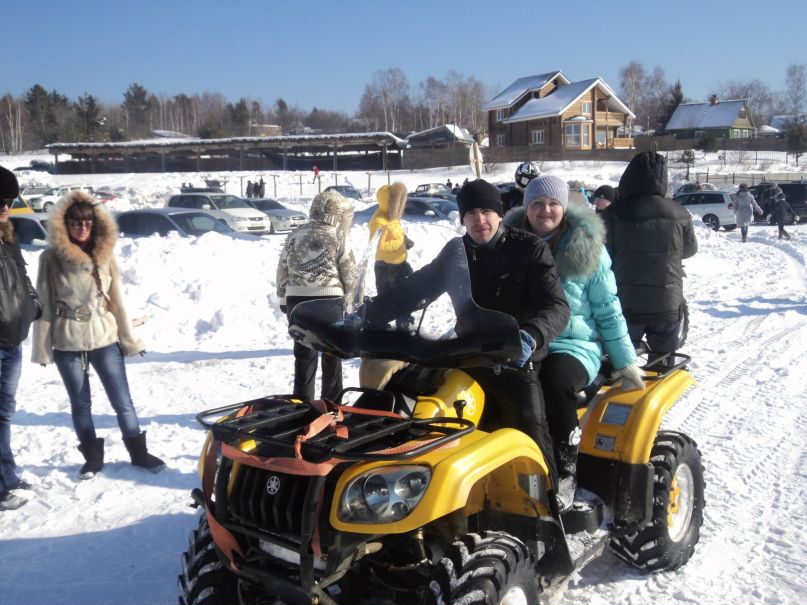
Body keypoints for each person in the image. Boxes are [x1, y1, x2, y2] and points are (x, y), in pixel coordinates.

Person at [366, 179, 570, 491]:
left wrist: (529, 336)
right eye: (471, 212)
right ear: (462, 218)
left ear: (499, 214)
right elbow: (414, 290)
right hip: (466, 355)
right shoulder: (456, 252)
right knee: (412, 406)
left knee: (529, 426)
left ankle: (548, 499)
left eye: (486, 210)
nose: (479, 219)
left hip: (513, 361)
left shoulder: (529, 249)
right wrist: (365, 315)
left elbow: (557, 306)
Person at [504, 175, 643, 509]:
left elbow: (608, 309)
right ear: (527, 208)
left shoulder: (586, 249)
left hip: (573, 345)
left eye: (553, 203)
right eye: (537, 203)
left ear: (564, 207)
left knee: (553, 380)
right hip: (523, 340)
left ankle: (566, 469)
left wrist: (624, 361)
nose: (545, 210)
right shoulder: (508, 244)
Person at [32, 192, 165, 479]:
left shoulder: (105, 256)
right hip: (67, 342)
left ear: (95, 224)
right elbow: (43, 305)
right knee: (81, 405)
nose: (82, 227)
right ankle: (92, 458)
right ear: (64, 224)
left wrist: (129, 339)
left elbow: (117, 300)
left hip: (104, 339)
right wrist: (42, 348)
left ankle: (139, 454)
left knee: (122, 401)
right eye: (76, 222)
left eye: (87, 222)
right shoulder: (50, 259)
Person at [602, 151, 698, 365]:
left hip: (625, 303)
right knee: (662, 367)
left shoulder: (613, 214)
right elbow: (689, 250)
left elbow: (601, 255)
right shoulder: (679, 212)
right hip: (668, 303)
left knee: (618, 366)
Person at [277, 190, 357, 401]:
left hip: (296, 301)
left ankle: (301, 403)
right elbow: (349, 272)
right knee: (331, 354)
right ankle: (331, 404)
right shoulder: (338, 235)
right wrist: (354, 301)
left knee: (303, 354)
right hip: (328, 302)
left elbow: (282, 269)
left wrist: (283, 299)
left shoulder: (295, 234)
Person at [0, 166, 42, 510]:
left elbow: (22, 278)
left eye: (9, 201)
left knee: (3, 414)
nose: (4, 207)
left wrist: (34, 305)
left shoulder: (7, 235)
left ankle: (7, 477)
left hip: (12, 343)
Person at [368, 182, 413, 328]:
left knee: (405, 297)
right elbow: (379, 246)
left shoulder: (393, 218)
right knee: (386, 301)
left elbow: (397, 235)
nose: (400, 205)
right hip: (385, 269)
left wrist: (405, 240)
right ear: (389, 202)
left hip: (400, 265)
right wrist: (400, 242)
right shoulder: (378, 220)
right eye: (397, 201)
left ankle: (404, 324)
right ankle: (381, 329)